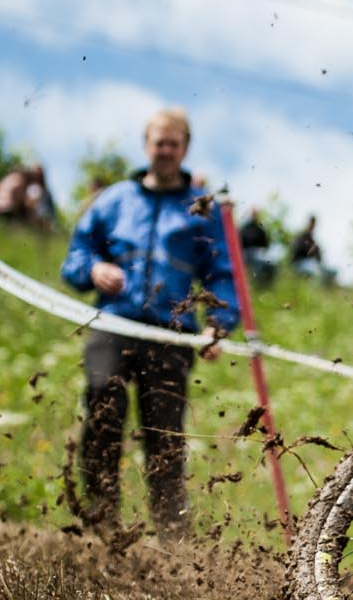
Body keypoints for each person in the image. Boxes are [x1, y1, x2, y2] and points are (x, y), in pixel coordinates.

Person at [61, 107, 237, 536]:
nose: (165, 150)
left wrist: (218, 323)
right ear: (146, 145)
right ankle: (102, 522)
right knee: (102, 414)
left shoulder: (201, 209)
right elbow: (76, 256)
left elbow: (221, 273)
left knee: (165, 434)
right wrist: (93, 270)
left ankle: (172, 537)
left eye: (173, 143)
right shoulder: (115, 199)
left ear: (185, 148)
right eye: (159, 142)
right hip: (114, 324)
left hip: (171, 332)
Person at [237, 206, 277, 286]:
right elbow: (239, 243)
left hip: (259, 252)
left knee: (271, 263)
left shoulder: (260, 229)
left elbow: (266, 244)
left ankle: (265, 285)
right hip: (245, 253)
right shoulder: (244, 228)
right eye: (253, 214)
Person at [289, 215, 327, 282]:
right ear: (309, 223)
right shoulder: (302, 236)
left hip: (308, 263)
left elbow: (317, 253)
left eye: (314, 224)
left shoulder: (312, 239)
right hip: (298, 262)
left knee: (317, 270)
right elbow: (298, 249)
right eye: (312, 223)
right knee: (311, 271)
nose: (313, 226)